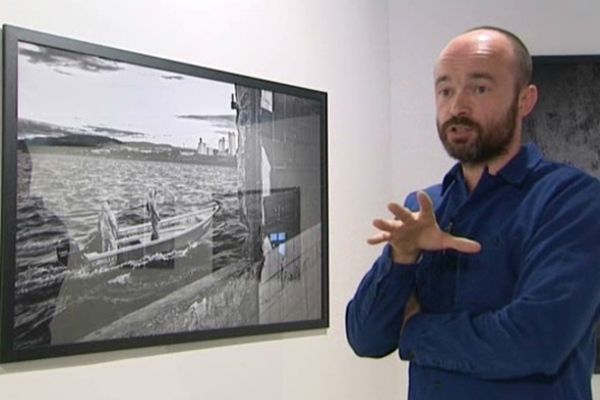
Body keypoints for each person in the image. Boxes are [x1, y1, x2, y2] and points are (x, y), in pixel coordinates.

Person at [346, 26, 600, 400]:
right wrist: (401, 258)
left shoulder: (571, 201)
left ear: (524, 100)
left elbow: (535, 341)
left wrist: (415, 330)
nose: (457, 107)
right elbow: (366, 337)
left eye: (479, 88)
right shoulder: (424, 209)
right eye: (445, 90)